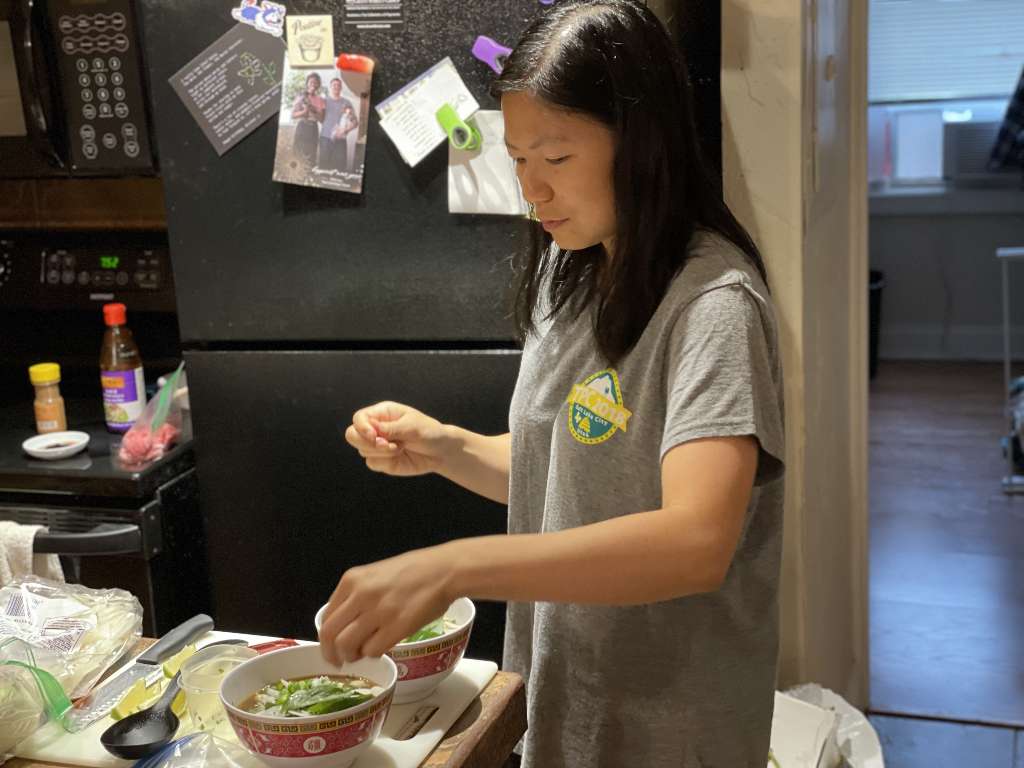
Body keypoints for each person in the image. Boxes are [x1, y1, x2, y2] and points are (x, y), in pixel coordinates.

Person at [317, 2, 785, 766]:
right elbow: (573, 477)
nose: (532, 191)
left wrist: (454, 564)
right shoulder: (572, 274)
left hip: (674, 729)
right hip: (564, 703)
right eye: (517, 158)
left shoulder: (713, 304)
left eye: (556, 159)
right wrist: (446, 447)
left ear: (642, 144)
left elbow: (696, 539)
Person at [318, 77, 358, 173]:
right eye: (334, 85)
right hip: (325, 138)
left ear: (341, 88)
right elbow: (319, 118)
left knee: (339, 168)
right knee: (323, 168)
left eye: (338, 85)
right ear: (330, 87)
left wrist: (345, 130)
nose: (336, 87)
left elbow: (355, 122)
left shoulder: (346, 102)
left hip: (340, 140)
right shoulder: (324, 101)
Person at [290, 72, 324, 167]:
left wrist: (313, 109)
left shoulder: (320, 100)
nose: (313, 83)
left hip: (313, 128)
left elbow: (322, 119)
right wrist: (304, 112)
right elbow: (293, 115)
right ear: (307, 83)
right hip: (302, 126)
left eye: (315, 82)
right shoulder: (301, 96)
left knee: (311, 155)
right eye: (311, 81)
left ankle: (309, 177)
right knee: (298, 154)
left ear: (318, 85)